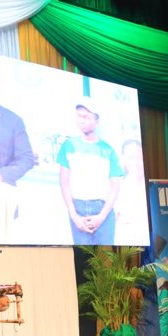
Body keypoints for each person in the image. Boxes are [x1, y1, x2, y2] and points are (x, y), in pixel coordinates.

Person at [57, 99, 123, 245]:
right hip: (78, 208)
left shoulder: (108, 150)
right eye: (79, 116)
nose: (82, 120)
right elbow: (64, 182)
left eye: (86, 117)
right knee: (82, 256)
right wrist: (74, 215)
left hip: (103, 209)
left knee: (106, 257)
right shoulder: (69, 145)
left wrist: (101, 217)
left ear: (96, 121)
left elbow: (115, 188)